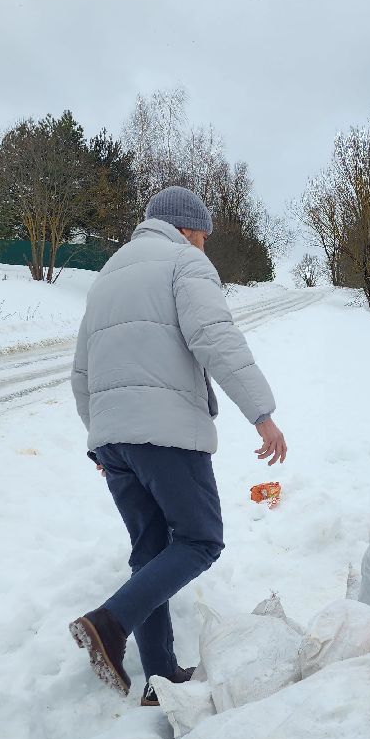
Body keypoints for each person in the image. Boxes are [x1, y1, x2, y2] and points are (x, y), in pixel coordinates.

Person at [70, 186, 286, 704]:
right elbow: (217, 338)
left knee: (150, 552)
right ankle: (110, 622)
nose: (204, 248)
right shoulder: (183, 264)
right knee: (200, 539)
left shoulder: (108, 278)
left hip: (114, 440)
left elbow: (81, 371)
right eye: (204, 238)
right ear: (187, 229)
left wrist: (100, 440)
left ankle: (158, 679)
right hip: (166, 435)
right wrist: (263, 414)